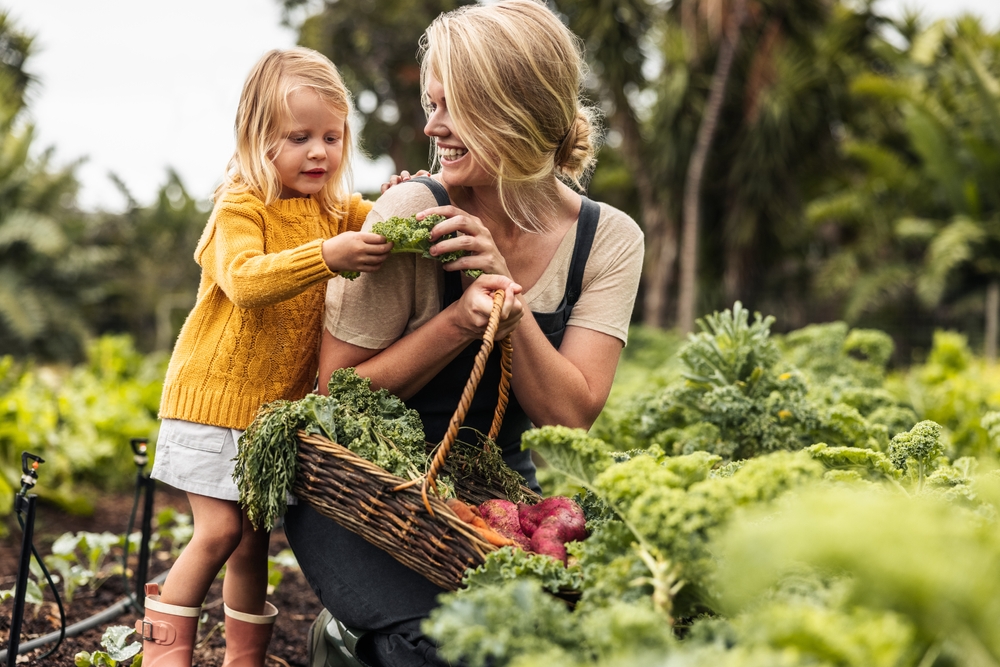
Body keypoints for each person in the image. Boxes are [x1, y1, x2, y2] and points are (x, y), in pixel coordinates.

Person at [283, 2, 645, 666]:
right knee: (442, 648)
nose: (431, 126)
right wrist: (458, 322)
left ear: (512, 109)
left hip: (491, 499)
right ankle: (342, 640)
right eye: (431, 103)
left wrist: (506, 295)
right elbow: (336, 392)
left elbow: (570, 412)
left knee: (580, 641)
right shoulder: (414, 210)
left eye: (451, 107)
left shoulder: (607, 239)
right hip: (369, 495)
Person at [138, 47, 393, 667]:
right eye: (299, 137)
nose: (319, 153)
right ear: (259, 138)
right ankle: (163, 657)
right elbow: (247, 280)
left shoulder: (333, 209)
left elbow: (382, 220)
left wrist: (400, 195)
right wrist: (328, 256)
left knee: (252, 545)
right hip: (211, 402)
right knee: (220, 533)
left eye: (332, 137)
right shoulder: (241, 204)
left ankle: (242, 660)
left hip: (265, 422)